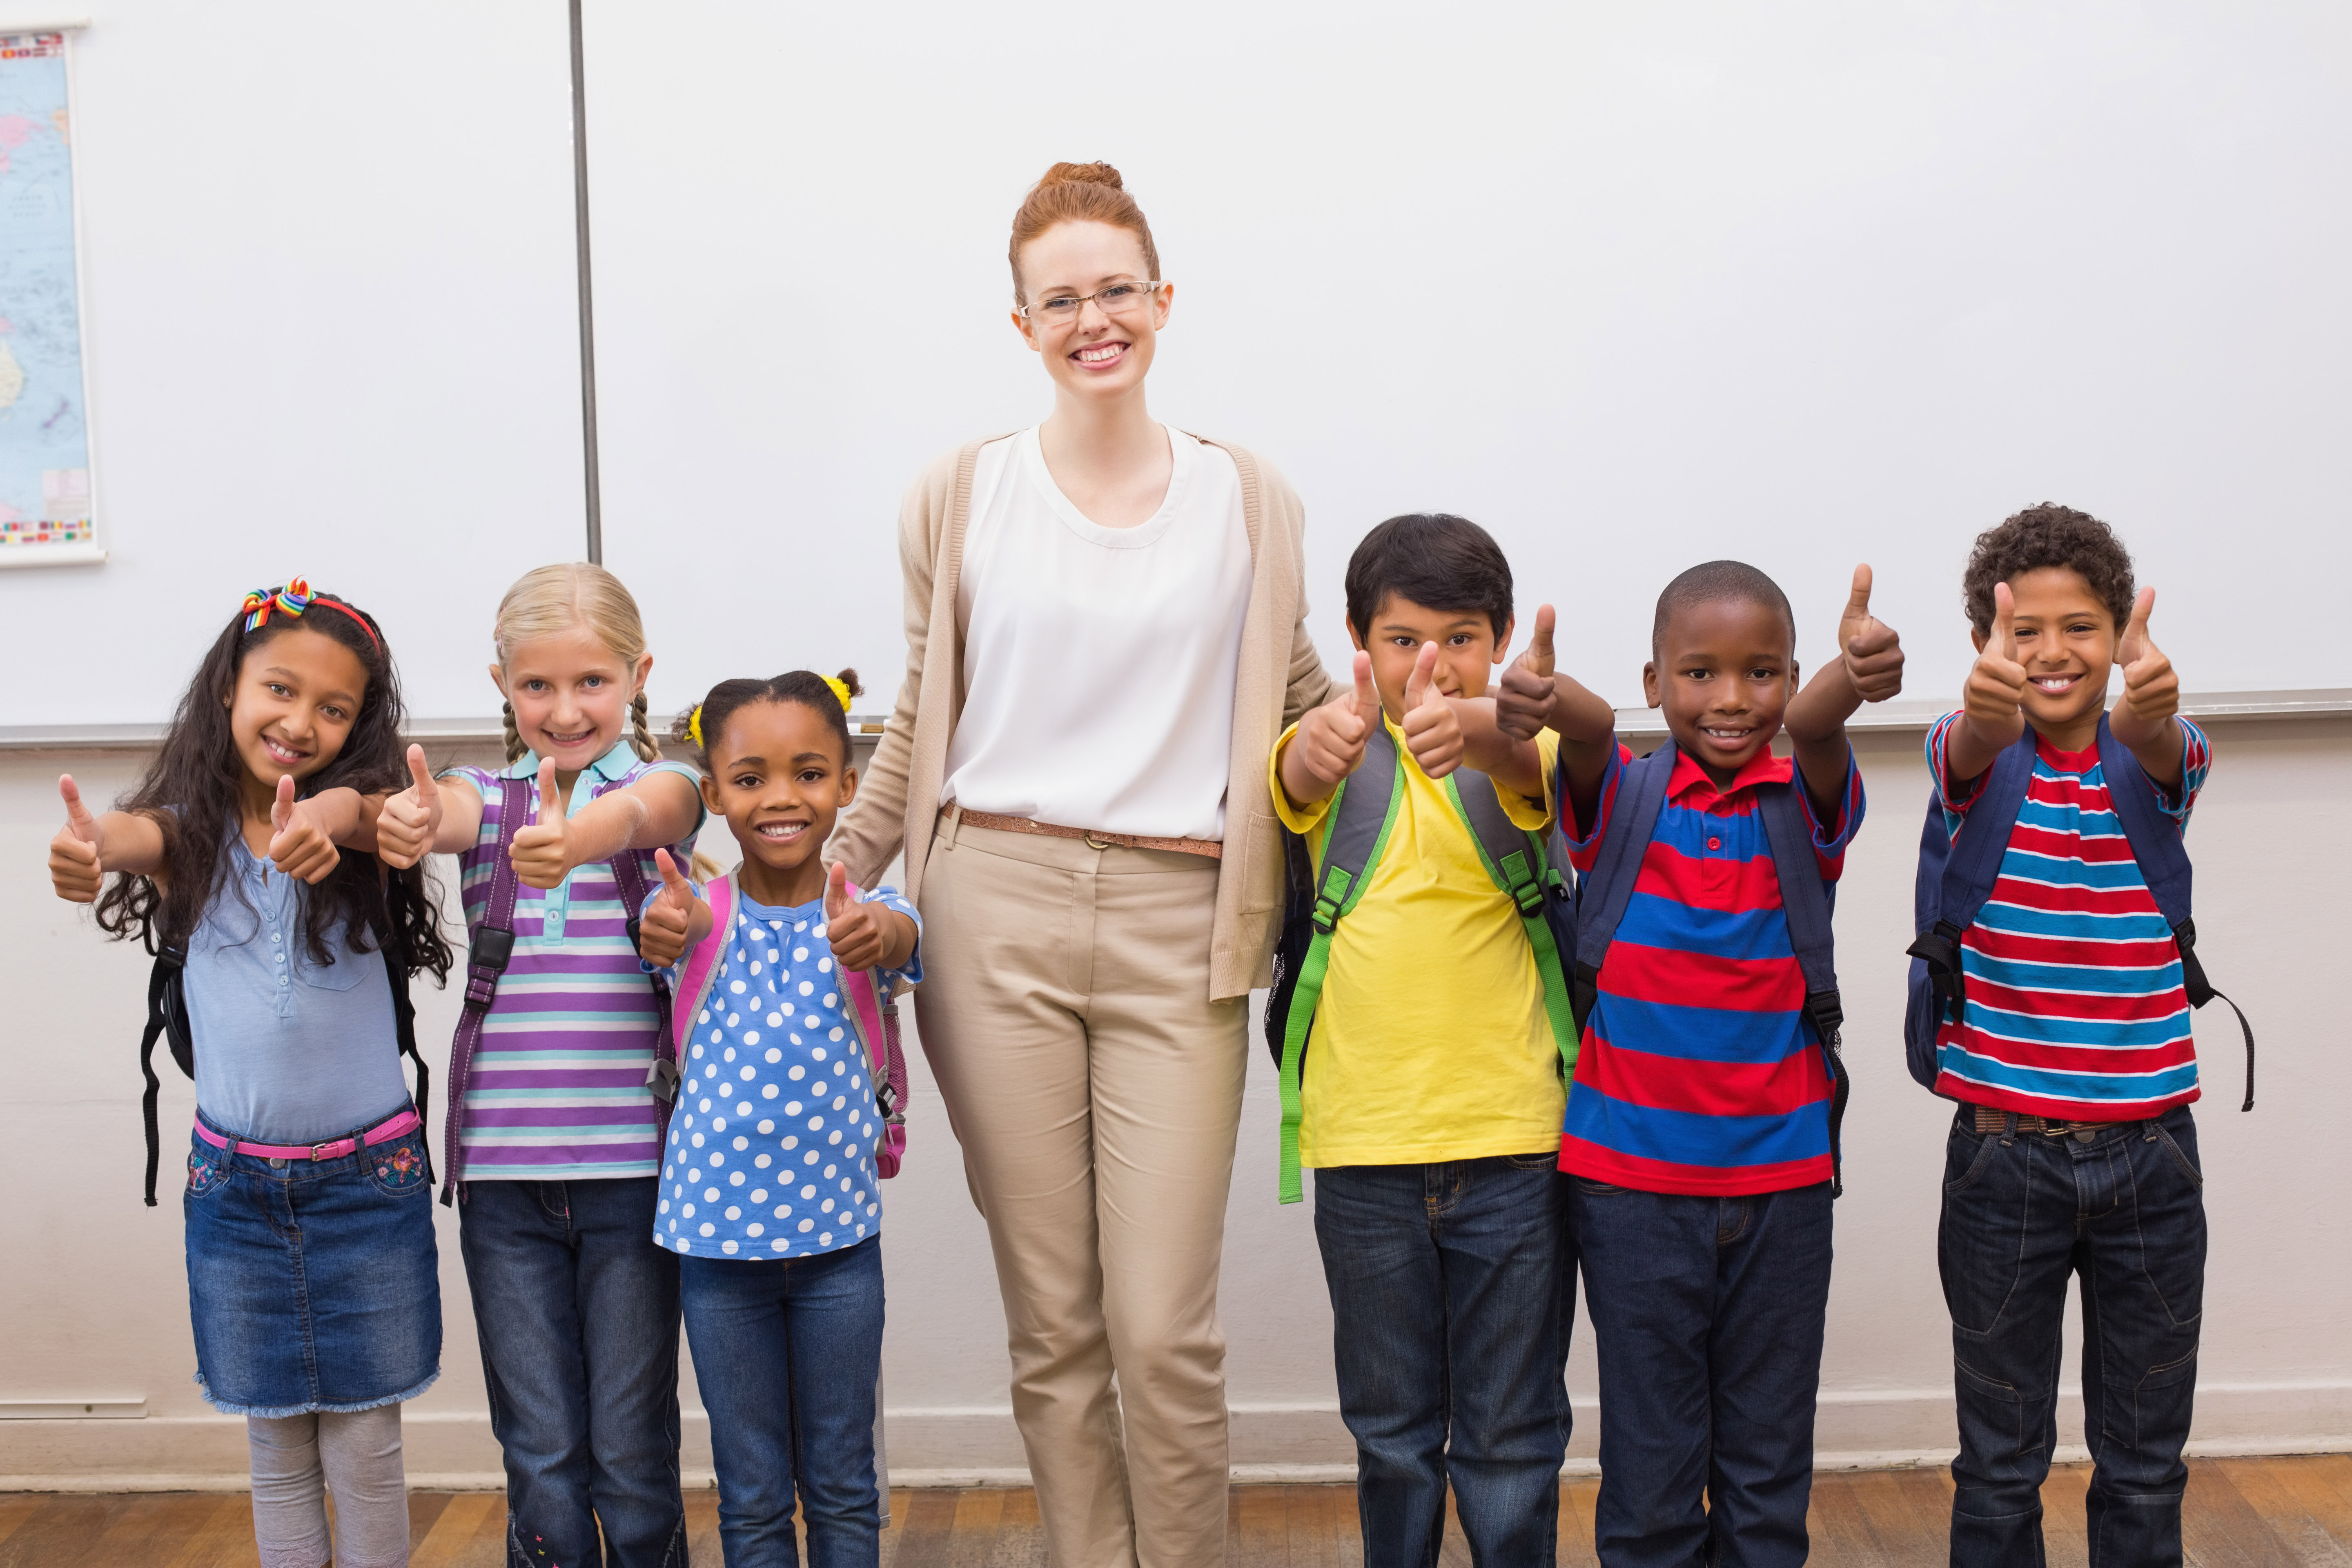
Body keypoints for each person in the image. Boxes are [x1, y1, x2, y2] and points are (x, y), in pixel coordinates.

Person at [827, 160, 1334, 1568]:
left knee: (1165, 1324)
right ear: (1022, 325)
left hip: (1187, 919)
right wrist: (843, 862)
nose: (1093, 318)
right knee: (1056, 1323)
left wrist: (1396, 731)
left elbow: (1302, 702)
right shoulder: (961, 491)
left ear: (1164, 302)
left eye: (1118, 289)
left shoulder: (1252, 495)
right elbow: (923, 705)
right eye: (1063, 299)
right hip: (995, 912)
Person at [1496, 560, 1904, 1567]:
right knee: (1651, 1467)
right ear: (1653, 682)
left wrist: (1853, 677)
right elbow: (1587, 735)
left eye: (1762, 673)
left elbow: (1814, 726)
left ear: (1792, 676)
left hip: (1785, 1186)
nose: (1731, 699)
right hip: (1630, 1190)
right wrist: (1545, 700)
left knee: (1768, 1469)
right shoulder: (1622, 800)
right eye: (1700, 673)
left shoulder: (1801, 801)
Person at [48, 578, 452, 1568]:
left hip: (370, 1184)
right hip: (235, 1194)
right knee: (274, 1447)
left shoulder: (361, 824)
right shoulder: (188, 834)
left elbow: (368, 813)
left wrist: (342, 815)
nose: (300, 721)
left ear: (359, 725)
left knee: (365, 1446)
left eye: (333, 708)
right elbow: (139, 835)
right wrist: (95, 847)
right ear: (229, 685)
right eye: (280, 689)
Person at [374, 562, 702, 1568]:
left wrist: (575, 833)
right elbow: (451, 818)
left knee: (635, 1445)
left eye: (594, 682)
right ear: (502, 684)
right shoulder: (484, 794)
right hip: (505, 1184)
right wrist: (412, 821)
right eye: (538, 687)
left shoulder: (667, 788)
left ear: (640, 675)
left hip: (636, 1178)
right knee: (543, 1447)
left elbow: (650, 815)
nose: (565, 710)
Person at [1270, 514, 1576, 1566]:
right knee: (1392, 1435)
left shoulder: (1526, 750)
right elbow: (1298, 779)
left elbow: (1527, 767)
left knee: (1512, 1436)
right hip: (1362, 1159)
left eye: (1460, 639)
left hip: (1519, 1149)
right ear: (1358, 642)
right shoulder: (1331, 745)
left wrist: (1485, 734)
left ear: (1497, 643)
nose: (1431, 667)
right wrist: (1318, 745)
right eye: (1402, 641)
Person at [1918, 506, 2214, 1566]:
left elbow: (2160, 740)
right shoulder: (1970, 757)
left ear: (2120, 633)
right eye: (2023, 630)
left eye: (2081, 626)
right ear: (1984, 648)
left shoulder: (2158, 757)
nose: (2051, 651)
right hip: (2005, 1161)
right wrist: (1986, 709)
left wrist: (2152, 704)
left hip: (2152, 1160)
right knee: (1999, 1465)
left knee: (2145, 1463)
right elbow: (1973, 735)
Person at [632, 670, 921, 1568]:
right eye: (751, 779)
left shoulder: (868, 916)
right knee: (750, 1495)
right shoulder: (695, 913)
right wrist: (662, 926)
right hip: (717, 1259)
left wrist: (879, 936)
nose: (782, 798)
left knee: (843, 1486)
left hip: (839, 1252)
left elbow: (907, 940)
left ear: (846, 783)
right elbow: (658, 926)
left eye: (809, 772)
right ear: (712, 795)